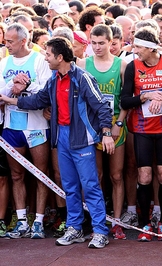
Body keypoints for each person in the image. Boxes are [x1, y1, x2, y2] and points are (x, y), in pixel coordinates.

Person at [0, 37, 114, 248]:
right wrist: (8, 100)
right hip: (61, 137)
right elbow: (37, 100)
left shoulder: (83, 78)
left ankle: (100, 231)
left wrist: (106, 133)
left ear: (60, 57)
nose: (45, 57)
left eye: (48, 54)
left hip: (81, 138)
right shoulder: (54, 79)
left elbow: (102, 107)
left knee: (90, 186)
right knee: (69, 186)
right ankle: (75, 228)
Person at [120, 26, 162, 241]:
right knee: (145, 176)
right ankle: (145, 225)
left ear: (150, 48)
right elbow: (125, 100)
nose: (135, 50)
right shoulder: (132, 66)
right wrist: (145, 97)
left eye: (138, 47)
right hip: (142, 129)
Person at [1, 23, 52, 240]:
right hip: (12, 126)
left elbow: (46, 90)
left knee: (40, 173)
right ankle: (21, 220)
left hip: (37, 126)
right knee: (16, 175)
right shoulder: (4, 62)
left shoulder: (40, 60)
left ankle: (38, 220)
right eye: (5, 40)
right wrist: (12, 88)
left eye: (10, 41)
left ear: (23, 41)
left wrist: (26, 86)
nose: (7, 44)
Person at [77, 24, 127, 240]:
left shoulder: (122, 65)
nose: (97, 47)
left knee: (116, 175)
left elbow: (125, 101)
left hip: (115, 126)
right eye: (93, 43)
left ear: (110, 42)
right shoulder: (83, 64)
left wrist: (119, 124)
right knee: (94, 177)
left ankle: (116, 221)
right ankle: (95, 220)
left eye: (101, 43)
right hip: (91, 127)